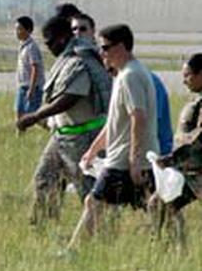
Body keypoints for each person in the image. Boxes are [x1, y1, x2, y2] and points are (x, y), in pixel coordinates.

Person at [67, 24, 158, 250]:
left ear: (122, 47)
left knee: (94, 203)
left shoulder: (131, 76)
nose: (102, 53)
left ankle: (75, 251)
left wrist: (134, 159)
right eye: (100, 48)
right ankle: (175, 247)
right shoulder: (124, 75)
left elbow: (139, 117)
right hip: (126, 158)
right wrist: (93, 150)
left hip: (125, 161)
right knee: (156, 207)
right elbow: (114, 123)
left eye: (106, 48)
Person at [16, 16, 111, 225]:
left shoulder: (80, 61)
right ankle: (44, 228)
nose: (48, 48)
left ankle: (101, 235)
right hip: (60, 136)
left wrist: (35, 116)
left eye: (49, 42)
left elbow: (69, 98)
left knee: (87, 190)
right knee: (44, 180)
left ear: (61, 38)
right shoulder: (66, 60)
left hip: (82, 138)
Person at [148, 54, 202, 243]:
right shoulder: (197, 101)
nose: (184, 81)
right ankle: (176, 251)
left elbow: (198, 139)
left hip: (196, 172)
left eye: (188, 75)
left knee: (162, 203)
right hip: (190, 171)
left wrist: (170, 159)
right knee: (161, 203)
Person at [15, 16, 45, 121]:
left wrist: (31, 89)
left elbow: (35, 68)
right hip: (22, 85)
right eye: (16, 29)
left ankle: (49, 127)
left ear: (28, 30)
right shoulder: (22, 45)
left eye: (19, 29)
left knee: (32, 115)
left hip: (32, 87)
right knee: (19, 111)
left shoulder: (32, 46)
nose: (17, 32)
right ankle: (19, 135)